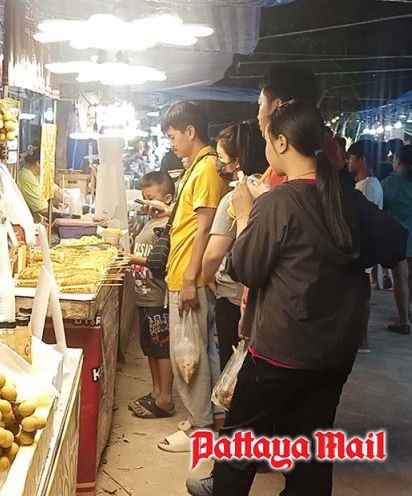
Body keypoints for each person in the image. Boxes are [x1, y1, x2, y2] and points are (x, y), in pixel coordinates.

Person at [186, 100, 406, 496]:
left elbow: (246, 269)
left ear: (282, 142)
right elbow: (395, 244)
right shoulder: (346, 197)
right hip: (335, 351)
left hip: (280, 350)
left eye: (267, 139)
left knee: (239, 448)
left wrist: (245, 214)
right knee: (310, 448)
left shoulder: (277, 202)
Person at [156, 101, 226, 453]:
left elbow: (205, 228)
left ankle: (201, 429)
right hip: (188, 273)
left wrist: (188, 278)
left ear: (190, 131)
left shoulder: (207, 168)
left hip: (190, 277)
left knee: (188, 355)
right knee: (201, 351)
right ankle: (209, 420)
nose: (171, 144)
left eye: (173, 136)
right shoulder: (198, 167)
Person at [202, 121, 267, 370]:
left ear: (237, 161)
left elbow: (213, 254)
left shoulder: (235, 198)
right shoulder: (272, 191)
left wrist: (208, 276)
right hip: (266, 302)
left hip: (233, 299)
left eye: (221, 158)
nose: (219, 165)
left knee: (232, 372)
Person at [127, 172, 176, 419]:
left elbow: (162, 263)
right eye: (144, 198)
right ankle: (156, 392)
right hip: (144, 296)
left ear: (167, 199)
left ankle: (165, 398)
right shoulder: (149, 222)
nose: (147, 203)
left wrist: (132, 259)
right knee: (150, 348)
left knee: (161, 349)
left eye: (151, 198)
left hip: (158, 298)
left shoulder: (168, 226)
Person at [382, 144, 412, 335]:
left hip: (397, 237)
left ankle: (403, 320)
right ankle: (405, 310)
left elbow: (381, 208)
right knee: (410, 276)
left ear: (397, 159)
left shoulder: (389, 182)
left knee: (399, 277)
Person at [347, 140, 384, 351]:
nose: (348, 163)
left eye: (351, 159)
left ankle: (361, 340)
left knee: (361, 296)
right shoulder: (371, 184)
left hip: (361, 248)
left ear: (362, 160)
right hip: (364, 248)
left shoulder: (367, 186)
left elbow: (363, 220)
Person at [16, 143, 62, 222]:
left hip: (41, 223)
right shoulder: (26, 177)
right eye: (48, 163)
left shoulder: (39, 175)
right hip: (31, 225)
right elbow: (43, 210)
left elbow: (56, 192)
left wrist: (73, 200)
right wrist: (67, 216)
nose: (51, 166)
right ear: (38, 163)